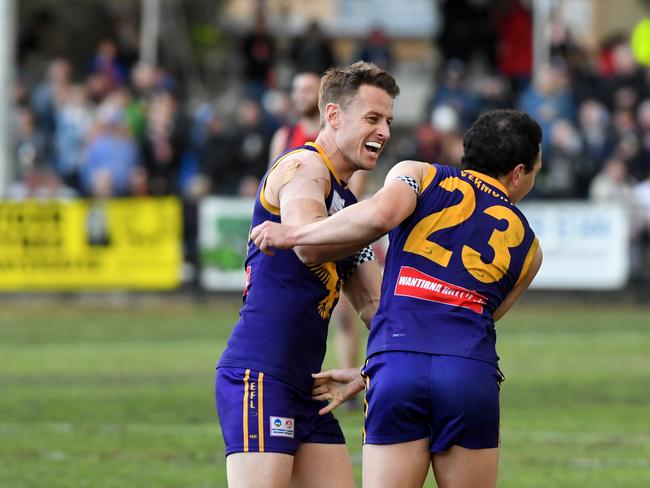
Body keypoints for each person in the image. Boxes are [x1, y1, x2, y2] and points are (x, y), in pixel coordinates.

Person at [251, 109, 544, 488]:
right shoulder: (531, 249)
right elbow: (478, 319)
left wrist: (296, 234)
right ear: (518, 173)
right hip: (470, 373)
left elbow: (379, 214)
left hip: (396, 366)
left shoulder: (421, 174)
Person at [216, 61, 400, 487]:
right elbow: (309, 243)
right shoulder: (305, 168)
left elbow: (375, 305)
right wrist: (381, 220)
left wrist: (383, 365)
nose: (384, 131)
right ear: (333, 116)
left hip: (310, 388)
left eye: (388, 120)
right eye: (372, 118)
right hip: (260, 375)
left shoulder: (349, 209)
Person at [269, 70, 367, 401]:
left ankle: (347, 377)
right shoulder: (286, 137)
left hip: (337, 231)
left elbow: (350, 193)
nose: (299, 95)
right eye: (296, 89)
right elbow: (273, 186)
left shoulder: (341, 142)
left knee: (342, 314)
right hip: (302, 240)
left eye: (307, 89)